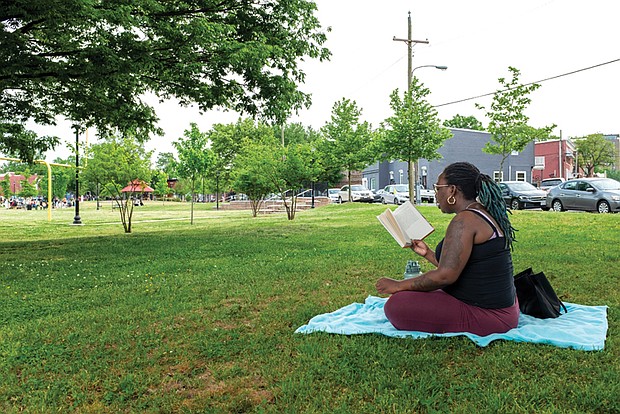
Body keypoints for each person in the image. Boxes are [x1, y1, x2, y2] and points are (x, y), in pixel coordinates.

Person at [376, 162, 519, 336]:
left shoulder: (464, 220)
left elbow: (445, 276)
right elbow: (461, 266)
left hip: (490, 316)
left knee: (396, 305)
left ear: (452, 190)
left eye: (438, 188)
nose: (436, 194)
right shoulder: (480, 212)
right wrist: (428, 253)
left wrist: (398, 285)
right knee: (417, 292)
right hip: (504, 308)